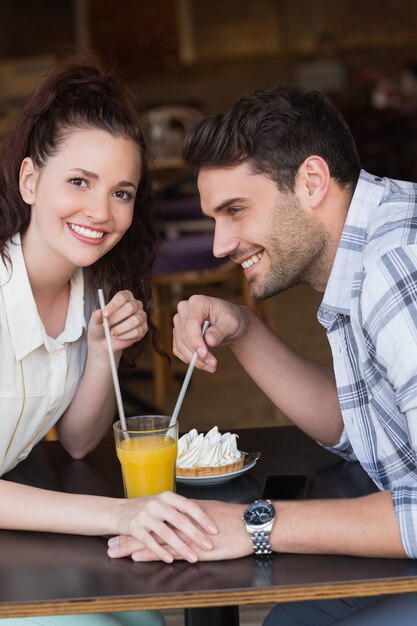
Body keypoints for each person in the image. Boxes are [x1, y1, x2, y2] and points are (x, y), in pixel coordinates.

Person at [107, 85, 417, 624]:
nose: (219, 245)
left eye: (236, 210)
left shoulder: (395, 268)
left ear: (312, 182)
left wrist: (253, 524)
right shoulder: (363, 249)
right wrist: (243, 330)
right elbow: (363, 427)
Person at [0, 57, 217, 626]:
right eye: (79, 182)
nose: (100, 212)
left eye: (122, 193)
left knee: (144, 615)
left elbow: (75, 441)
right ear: (29, 180)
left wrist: (101, 356)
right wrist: (122, 515)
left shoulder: (89, 287)